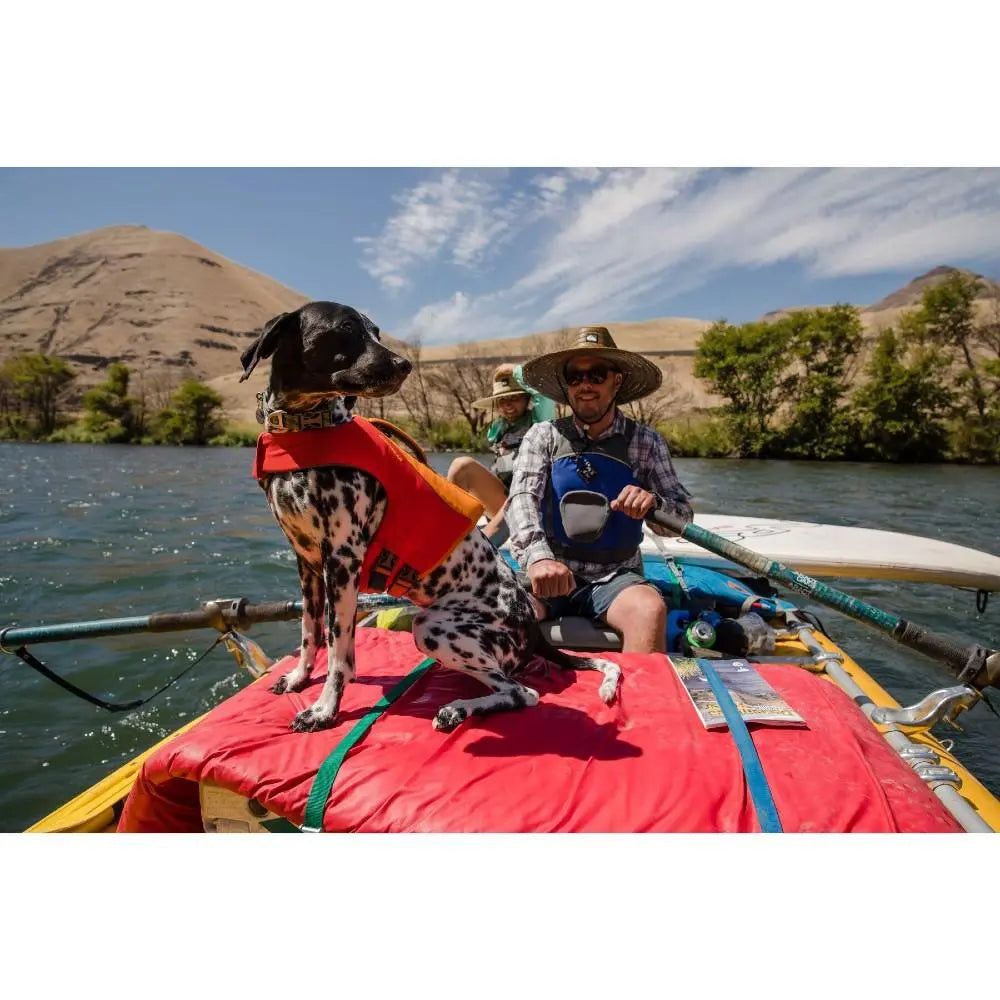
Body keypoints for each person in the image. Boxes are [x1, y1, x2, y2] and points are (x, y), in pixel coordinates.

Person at [506, 327, 693, 653]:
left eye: (596, 374)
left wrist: (655, 504)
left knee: (649, 611)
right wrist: (537, 559)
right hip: (552, 571)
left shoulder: (646, 442)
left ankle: (641, 700)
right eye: (575, 377)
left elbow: (681, 516)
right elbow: (522, 499)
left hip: (617, 577)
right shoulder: (542, 436)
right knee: (500, 612)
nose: (585, 384)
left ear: (616, 381)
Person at [447, 363, 555, 540]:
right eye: (502, 400)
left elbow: (543, 394)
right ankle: (446, 529)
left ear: (526, 399)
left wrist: (515, 370)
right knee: (462, 465)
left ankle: (482, 549)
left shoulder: (540, 421)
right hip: (504, 499)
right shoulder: (498, 428)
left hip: (535, 502)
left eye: (514, 398)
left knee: (515, 501)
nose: (508, 406)